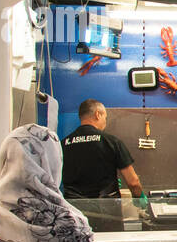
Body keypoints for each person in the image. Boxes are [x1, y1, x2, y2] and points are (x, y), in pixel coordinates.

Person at [61, 99, 145, 232]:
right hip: (107, 214)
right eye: (105, 117)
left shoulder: (62, 144)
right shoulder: (111, 142)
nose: (105, 121)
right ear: (97, 114)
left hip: (74, 213)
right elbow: (133, 181)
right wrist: (139, 198)